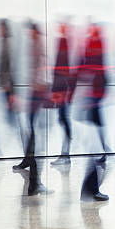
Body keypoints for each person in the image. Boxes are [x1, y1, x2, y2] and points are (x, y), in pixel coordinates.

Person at [12, 21, 52, 196]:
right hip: (33, 96)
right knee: (35, 139)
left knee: (34, 138)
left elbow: (39, 73)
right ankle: (34, 183)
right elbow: (36, 73)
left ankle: (34, 181)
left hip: (34, 97)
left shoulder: (35, 47)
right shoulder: (34, 47)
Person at [77, 22, 110, 201]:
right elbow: (90, 74)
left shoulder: (95, 47)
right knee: (94, 148)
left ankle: (89, 189)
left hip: (93, 102)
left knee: (96, 148)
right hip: (91, 103)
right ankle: (90, 190)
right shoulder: (92, 48)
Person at [50, 21, 75, 166]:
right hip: (62, 90)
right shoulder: (63, 42)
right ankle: (65, 154)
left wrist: (61, 92)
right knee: (63, 120)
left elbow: (63, 70)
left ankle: (65, 155)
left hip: (63, 91)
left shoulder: (65, 43)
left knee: (64, 120)